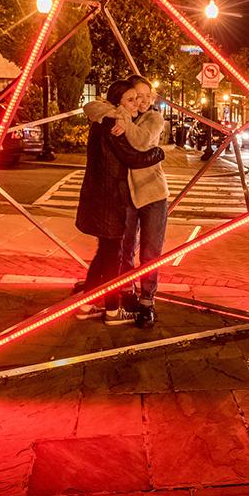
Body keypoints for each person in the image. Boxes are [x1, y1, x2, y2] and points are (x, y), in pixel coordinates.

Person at [75, 79, 164, 325]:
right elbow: (133, 157)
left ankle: (89, 303)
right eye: (133, 98)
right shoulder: (113, 121)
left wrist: (121, 114)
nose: (140, 102)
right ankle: (113, 310)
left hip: (118, 196)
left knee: (108, 253)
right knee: (113, 256)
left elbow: (141, 143)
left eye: (144, 96)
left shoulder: (129, 118)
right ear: (118, 102)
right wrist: (159, 153)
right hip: (111, 198)